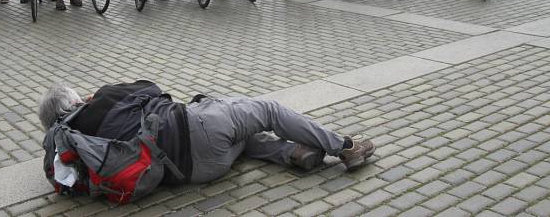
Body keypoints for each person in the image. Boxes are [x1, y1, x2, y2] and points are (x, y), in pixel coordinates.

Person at [39, 80, 375, 188]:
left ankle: (292, 153)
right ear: (76, 100)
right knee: (268, 111)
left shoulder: (75, 146)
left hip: (192, 172)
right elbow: (153, 89)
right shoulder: (104, 98)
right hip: (197, 127)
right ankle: (344, 146)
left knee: (241, 141)